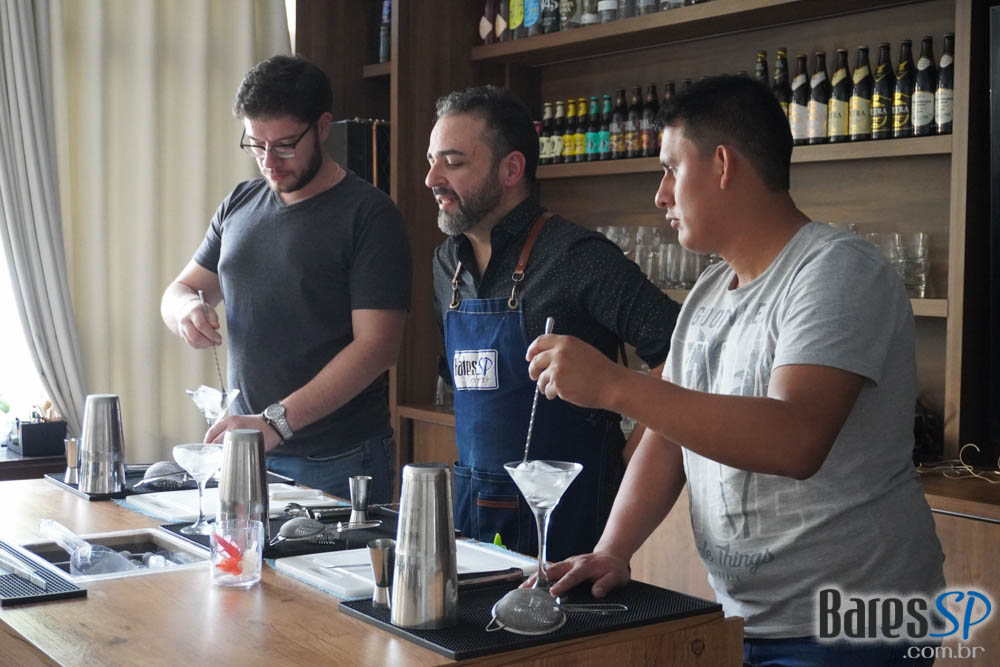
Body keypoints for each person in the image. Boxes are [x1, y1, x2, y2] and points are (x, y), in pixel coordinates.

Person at [526, 75, 946, 664]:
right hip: (743, 618)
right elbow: (666, 437)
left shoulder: (836, 270)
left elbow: (795, 438)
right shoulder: (707, 293)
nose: (660, 196)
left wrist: (616, 386)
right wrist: (613, 549)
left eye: (671, 169)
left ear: (722, 165)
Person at [426, 85, 680, 562]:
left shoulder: (578, 256)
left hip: (572, 526)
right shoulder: (446, 265)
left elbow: (682, 350)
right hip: (474, 516)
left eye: (453, 163)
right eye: (432, 161)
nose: (432, 179)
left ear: (511, 170)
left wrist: (631, 459)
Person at [161, 55, 411, 503]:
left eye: (285, 146)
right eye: (256, 145)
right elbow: (178, 290)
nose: (269, 162)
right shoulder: (240, 203)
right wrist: (186, 310)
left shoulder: (370, 216)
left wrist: (276, 421)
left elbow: (378, 347)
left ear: (323, 127)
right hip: (250, 450)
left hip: (338, 459)